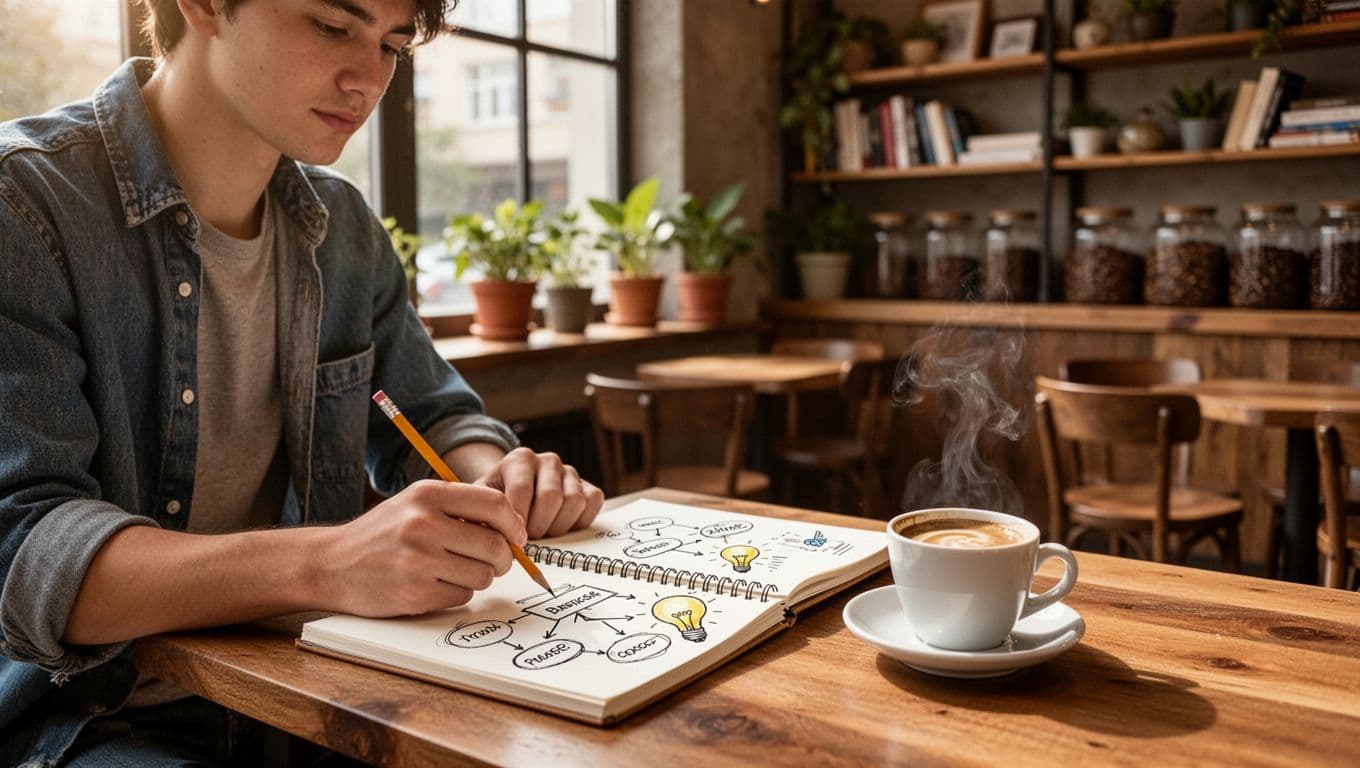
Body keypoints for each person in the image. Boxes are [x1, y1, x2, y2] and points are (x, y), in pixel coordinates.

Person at [0, 0, 604, 763]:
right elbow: (28, 555)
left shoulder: (343, 225)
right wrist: (331, 562)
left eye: (391, 45)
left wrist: (501, 480)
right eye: (330, 26)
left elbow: (431, 413)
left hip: (305, 699)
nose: (368, 80)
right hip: (88, 721)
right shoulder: (25, 205)